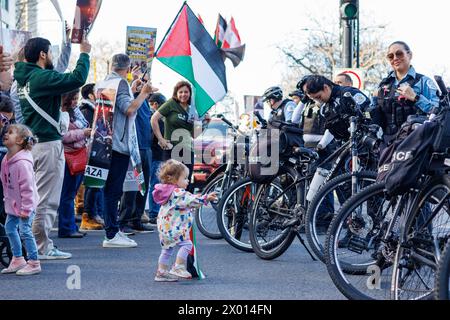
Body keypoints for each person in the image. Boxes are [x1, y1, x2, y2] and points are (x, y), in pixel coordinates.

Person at [14, 36, 91, 260]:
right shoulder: (40, 77)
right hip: (47, 145)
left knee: (36, 198)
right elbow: (77, 78)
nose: (52, 57)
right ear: (43, 54)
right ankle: (41, 247)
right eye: (50, 52)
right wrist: (84, 53)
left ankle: (35, 244)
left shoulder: (24, 78)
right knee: (46, 200)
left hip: (34, 144)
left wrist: (69, 43)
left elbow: (61, 71)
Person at [100, 54, 155, 248]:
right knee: (114, 191)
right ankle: (112, 233)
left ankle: (112, 230)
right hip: (119, 144)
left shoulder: (106, 81)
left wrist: (134, 91)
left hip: (104, 141)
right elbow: (129, 109)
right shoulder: (121, 84)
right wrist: (144, 94)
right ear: (128, 67)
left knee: (110, 190)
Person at [152, 159, 217, 282]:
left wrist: (196, 197)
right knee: (187, 244)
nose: (187, 181)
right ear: (173, 179)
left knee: (167, 250)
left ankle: (161, 272)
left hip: (165, 227)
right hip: (174, 227)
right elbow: (190, 201)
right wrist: (206, 198)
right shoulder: (177, 192)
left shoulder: (168, 191)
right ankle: (179, 266)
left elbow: (186, 200)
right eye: (185, 178)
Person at [370, 41, 439, 146]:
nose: (395, 58)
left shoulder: (424, 81)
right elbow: (373, 113)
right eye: (390, 56)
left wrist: (416, 98)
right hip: (386, 144)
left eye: (399, 53)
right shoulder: (383, 84)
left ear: (410, 55)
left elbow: (439, 111)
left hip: (416, 142)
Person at [0, 124, 40, 276]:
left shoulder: (22, 163)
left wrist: (26, 209)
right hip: (13, 204)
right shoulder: (7, 159)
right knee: (10, 228)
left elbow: (28, 188)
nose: (6, 133)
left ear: (20, 140)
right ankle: (18, 259)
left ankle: (34, 262)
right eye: (6, 131)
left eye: (10, 132)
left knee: (25, 231)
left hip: (25, 205)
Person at [118, 70, 154, 234]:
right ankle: (124, 221)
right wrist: (134, 90)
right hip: (134, 147)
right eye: (142, 81)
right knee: (132, 187)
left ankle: (136, 219)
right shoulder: (133, 98)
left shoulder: (146, 101)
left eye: (146, 81)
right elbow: (129, 109)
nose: (145, 84)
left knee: (143, 186)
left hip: (146, 148)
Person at [57, 90, 92, 238]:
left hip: (78, 153)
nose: (76, 101)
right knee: (67, 194)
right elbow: (63, 136)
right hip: (68, 155)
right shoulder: (60, 113)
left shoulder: (75, 112)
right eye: (74, 98)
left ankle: (70, 225)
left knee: (71, 193)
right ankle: (66, 227)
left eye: (77, 98)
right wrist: (83, 133)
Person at [151, 81, 197, 185]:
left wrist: (204, 123)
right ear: (176, 93)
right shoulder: (171, 104)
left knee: (186, 183)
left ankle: (183, 202)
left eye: (186, 92)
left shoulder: (193, 109)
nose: (183, 94)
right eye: (180, 92)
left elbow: (195, 135)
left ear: (190, 94)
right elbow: (154, 119)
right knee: (169, 183)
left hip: (187, 151)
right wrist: (161, 139)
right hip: (171, 150)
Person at [304, 75, 371, 143]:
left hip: (366, 141)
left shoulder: (348, 93)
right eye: (314, 99)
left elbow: (368, 110)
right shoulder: (324, 109)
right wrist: (321, 146)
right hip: (345, 145)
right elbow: (330, 131)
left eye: (318, 97)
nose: (318, 101)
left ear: (326, 88)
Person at [78, 83, 104, 230]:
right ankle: (88, 216)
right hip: (90, 151)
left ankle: (95, 214)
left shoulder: (94, 108)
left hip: (96, 150)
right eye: (98, 91)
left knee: (96, 185)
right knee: (92, 185)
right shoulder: (87, 110)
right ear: (90, 95)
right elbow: (90, 130)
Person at [147, 93, 167, 225]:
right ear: (154, 104)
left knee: (159, 185)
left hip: (161, 155)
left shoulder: (161, 119)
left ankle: (156, 212)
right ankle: (154, 213)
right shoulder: (153, 118)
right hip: (156, 155)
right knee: (155, 185)